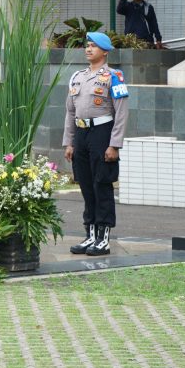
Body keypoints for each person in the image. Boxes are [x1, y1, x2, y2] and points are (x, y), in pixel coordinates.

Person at [63, 31, 130, 256]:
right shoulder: (77, 76)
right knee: (85, 184)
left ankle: (103, 238)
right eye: (87, 45)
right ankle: (90, 234)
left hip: (103, 132)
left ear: (105, 51)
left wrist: (114, 145)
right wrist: (69, 143)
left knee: (102, 184)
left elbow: (121, 113)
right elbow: (69, 112)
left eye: (93, 46)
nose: (88, 49)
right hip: (81, 134)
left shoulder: (114, 76)